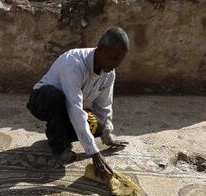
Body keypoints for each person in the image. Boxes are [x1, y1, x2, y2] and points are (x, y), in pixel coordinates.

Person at [27, 27, 130, 178]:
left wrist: (107, 136)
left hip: (71, 108)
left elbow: (104, 105)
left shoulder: (109, 73)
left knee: (97, 127)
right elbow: (75, 107)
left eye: (120, 59)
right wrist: (94, 154)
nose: (117, 64)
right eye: (114, 58)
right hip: (42, 100)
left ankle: (59, 132)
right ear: (101, 50)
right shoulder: (73, 63)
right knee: (54, 97)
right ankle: (59, 147)